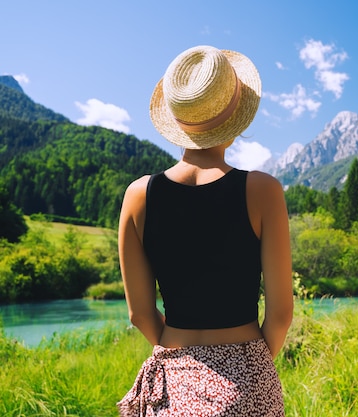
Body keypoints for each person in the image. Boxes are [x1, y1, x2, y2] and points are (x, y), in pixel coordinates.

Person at [116, 45, 293, 417]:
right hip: (246, 380)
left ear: (178, 121)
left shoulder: (137, 196)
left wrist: (181, 359)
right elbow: (280, 314)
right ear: (235, 119)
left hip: (172, 381)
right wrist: (249, 367)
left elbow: (140, 314)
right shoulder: (263, 191)